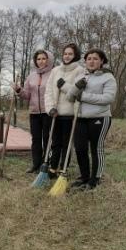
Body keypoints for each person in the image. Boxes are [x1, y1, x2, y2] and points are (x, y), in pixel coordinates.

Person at [67, 49, 117, 189]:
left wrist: (83, 96)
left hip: (100, 118)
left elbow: (108, 98)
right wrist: (76, 88)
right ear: (85, 61)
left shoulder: (108, 77)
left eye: (95, 58)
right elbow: (70, 97)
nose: (92, 61)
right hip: (80, 118)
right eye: (89, 58)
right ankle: (84, 177)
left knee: (96, 149)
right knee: (80, 148)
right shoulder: (81, 76)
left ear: (102, 61)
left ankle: (95, 180)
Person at [45, 43, 85, 178]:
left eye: (70, 54)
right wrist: (50, 108)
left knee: (66, 144)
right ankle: (53, 167)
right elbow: (49, 91)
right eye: (65, 54)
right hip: (55, 113)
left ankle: (63, 168)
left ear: (75, 56)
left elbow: (77, 92)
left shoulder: (80, 70)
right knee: (55, 143)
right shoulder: (55, 70)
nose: (67, 56)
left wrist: (64, 86)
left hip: (70, 115)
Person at [13, 50, 54, 173]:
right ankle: (36, 164)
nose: (41, 61)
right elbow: (27, 95)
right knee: (35, 139)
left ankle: (46, 163)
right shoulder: (31, 76)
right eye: (38, 59)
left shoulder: (54, 73)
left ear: (49, 60)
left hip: (49, 112)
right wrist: (19, 90)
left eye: (43, 58)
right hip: (34, 113)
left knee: (47, 139)